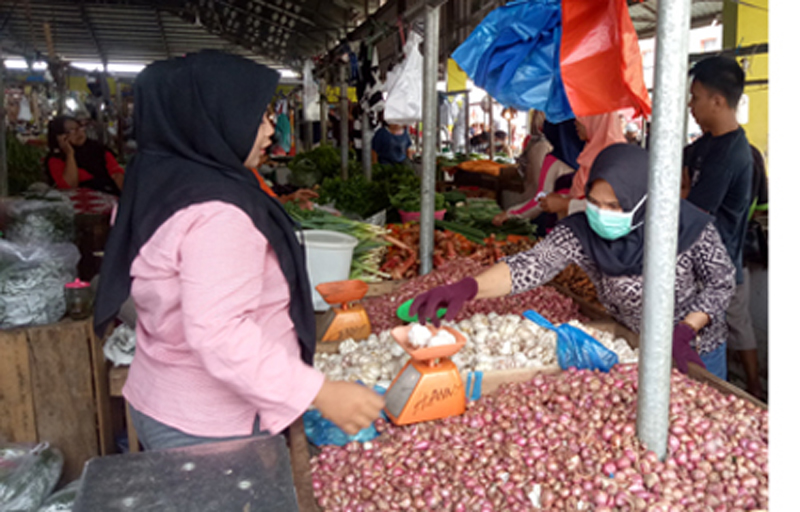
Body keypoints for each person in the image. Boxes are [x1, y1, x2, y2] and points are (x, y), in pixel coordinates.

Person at [93, 51, 384, 451]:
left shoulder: (161, 179)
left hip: (164, 395)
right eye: (258, 116)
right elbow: (219, 333)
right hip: (210, 422)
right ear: (210, 119)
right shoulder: (218, 214)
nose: (270, 131)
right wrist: (320, 392)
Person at [410, 144, 736, 380]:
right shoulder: (582, 232)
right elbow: (530, 265)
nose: (600, 213)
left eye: (614, 206)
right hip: (633, 345)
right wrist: (469, 287)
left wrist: (685, 331)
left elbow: (722, 282)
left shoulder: (689, 227)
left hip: (693, 346)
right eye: (593, 202)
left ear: (643, 203)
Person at [681, 56, 761, 399]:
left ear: (717, 100)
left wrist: (681, 192)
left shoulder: (731, 153)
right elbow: (679, 164)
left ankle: (725, 398)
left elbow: (692, 211)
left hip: (718, 267)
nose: (690, 104)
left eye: (695, 97)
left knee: (711, 345)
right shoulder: (709, 142)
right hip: (701, 264)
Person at [538, 112, 626, 219]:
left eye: (582, 117)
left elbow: (609, 208)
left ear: (595, 121)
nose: (575, 122)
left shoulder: (613, 158)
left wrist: (565, 204)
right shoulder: (590, 152)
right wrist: (561, 200)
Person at [45, 115, 125, 196]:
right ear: (60, 137)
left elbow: (117, 175)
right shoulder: (56, 159)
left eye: (79, 128)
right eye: (71, 130)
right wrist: (69, 154)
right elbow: (69, 187)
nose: (78, 132)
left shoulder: (98, 150)